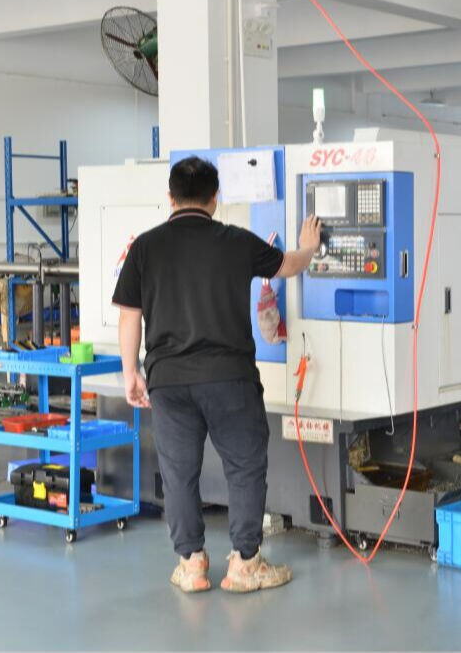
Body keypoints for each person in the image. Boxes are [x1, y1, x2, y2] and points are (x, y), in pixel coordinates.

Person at [112, 156, 323, 594]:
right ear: (215, 198)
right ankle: (245, 564)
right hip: (230, 378)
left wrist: (130, 371)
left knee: (178, 473)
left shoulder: (145, 247)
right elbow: (288, 265)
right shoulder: (235, 241)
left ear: (170, 197)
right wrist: (309, 246)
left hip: (168, 381)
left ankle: (191, 565)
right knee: (244, 468)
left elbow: (130, 315)